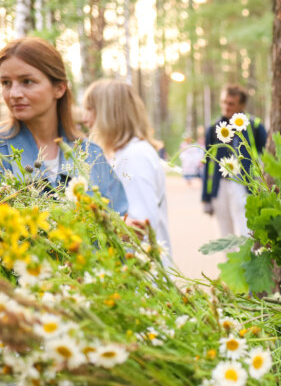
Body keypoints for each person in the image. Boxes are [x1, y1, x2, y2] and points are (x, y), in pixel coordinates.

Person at [0, 37, 127, 214]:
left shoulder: (91, 154)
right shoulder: (2, 152)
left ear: (59, 88)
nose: (14, 93)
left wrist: (125, 231)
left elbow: (119, 220)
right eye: (6, 83)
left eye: (27, 81)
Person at [82, 79, 172, 259]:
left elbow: (139, 227)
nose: (85, 119)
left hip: (142, 273)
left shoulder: (134, 157)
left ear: (108, 113)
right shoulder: (124, 154)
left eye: (90, 110)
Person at [201, 84, 267, 237]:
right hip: (220, 186)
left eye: (231, 103)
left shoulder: (255, 126)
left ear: (242, 105)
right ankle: (229, 261)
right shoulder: (214, 129)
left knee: (246, 230)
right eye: (224, 102)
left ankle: (246, 259)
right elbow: (208, 164)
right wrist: (206, 197)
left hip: (245, 186)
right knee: (225, 233)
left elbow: (267, 157)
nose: (226, 106)